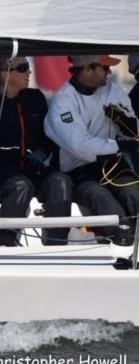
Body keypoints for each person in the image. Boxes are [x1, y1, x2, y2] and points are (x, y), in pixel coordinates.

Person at [0, 56, 73, 246]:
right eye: (23, 68)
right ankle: (5, 241)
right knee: (21, 185)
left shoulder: (36, 99)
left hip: (33, 170)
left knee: (61, 180)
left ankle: (56, 242)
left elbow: (49, 135)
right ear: (5, 74)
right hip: (1, 178)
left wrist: (42, 151)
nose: (29, 72)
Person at [44, 55, 139, 240]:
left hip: (113, 166)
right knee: (104, 201)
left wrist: (129, 124)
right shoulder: (63, 102)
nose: (109, 72)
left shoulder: (112, 90)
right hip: (80, 171)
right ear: (87, 69)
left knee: (135, 194)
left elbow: (132, 125)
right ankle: (123, 245)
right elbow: (81, 146)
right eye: (105, 68)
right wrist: (120, 145)